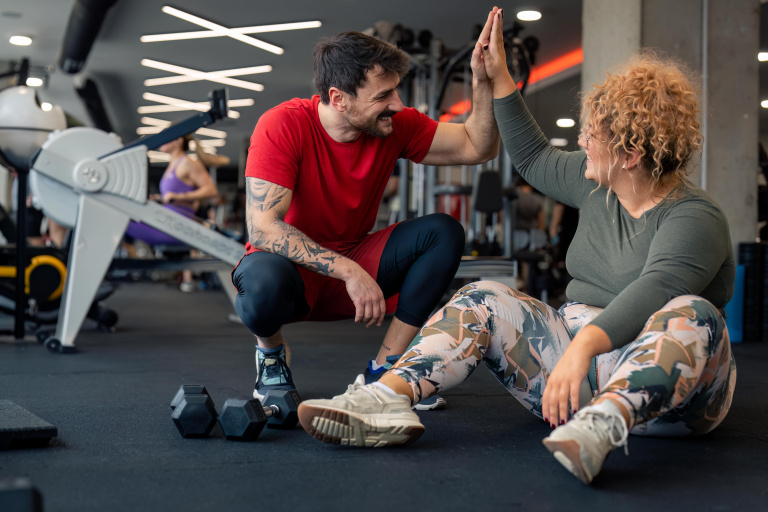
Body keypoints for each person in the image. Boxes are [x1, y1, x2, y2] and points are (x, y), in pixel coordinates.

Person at [296, 8, 737, 486]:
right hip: (575, 381)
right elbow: (532, 155)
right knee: (483, 295)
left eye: (595, 136)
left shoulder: (696, 217)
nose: (583, 141)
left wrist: (581, 348)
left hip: (672, 398)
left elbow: (655, 288)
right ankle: (386, 398)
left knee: (693, 312)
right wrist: (498, 76)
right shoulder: (595, 185)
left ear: (630, 156)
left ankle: (605, 424)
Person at [232, 15, 501, 410]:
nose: (397, 104)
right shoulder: (283, 124)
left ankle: (385, 369)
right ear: (339, 98)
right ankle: (271, 356)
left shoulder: (395, 125)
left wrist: (482, 83)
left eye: (396, 91)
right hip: (292, 270)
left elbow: (477, 147)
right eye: (383, 96)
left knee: (443, 232)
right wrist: (348, 271)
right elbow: (264, 230)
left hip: (357, 255)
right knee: (262, 283)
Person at [124, 134, 218, 291]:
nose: (160, 140)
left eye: (164, 137)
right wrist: (160, 199)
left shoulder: (187, 163)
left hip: (175, 226)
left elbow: (211, 190)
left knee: (121, 218)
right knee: (120, 214)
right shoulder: (173, 164)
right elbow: (172, 197)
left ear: (177, 140)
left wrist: (179, 196)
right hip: (166, 221)